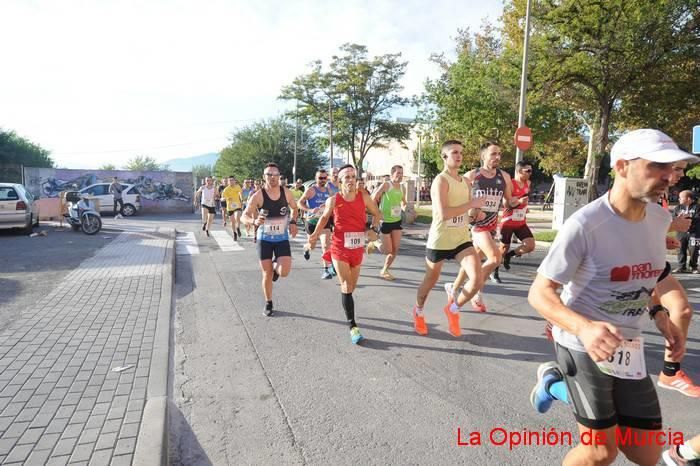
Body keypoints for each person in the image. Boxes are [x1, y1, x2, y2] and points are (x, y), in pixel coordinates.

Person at [527, 128, 695, 466]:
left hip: (628, 344)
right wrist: (585, 329)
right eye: (656, 166)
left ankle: (556, 385)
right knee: (600, 451)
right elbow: (540, 293)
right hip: (583, 343)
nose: (668, 176)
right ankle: (560, 381)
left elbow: (644, 274)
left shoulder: (660, 219)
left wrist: (661, 317)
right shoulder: (586, 225)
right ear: (621, 166)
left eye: (672, 167)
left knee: (644, 453)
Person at [412, 140, 487, 337]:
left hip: (461, 239)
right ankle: (418, 310)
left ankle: (453, 309)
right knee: (430, 280)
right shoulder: (441, 181)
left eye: (461, 152)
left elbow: (469, 211)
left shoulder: (466, 182)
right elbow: (443, 213)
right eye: (454, 152)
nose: (459, 155)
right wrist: (472, 203)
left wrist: (476, 213)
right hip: (440, 240)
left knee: (477, 279)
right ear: (444, 156)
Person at [306, 164, 382, 344]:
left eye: (353, 176)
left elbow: (377, 213)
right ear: (339, 181)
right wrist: (314, 236)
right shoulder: (334, 200)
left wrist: (373, 230)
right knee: (347, 286)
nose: (350, 180)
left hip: (357, 248)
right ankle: (353, 326)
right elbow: (324, 219)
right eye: (346, 177)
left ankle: (335, 271)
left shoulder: (363, 196)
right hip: (340, 247)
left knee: (352, 286)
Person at [446, 141, 517, 311]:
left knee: (475, 260)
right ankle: (474, 291)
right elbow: (458, 198)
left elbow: (508, 201)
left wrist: (515, 202)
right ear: (483, 156)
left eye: (499, 154)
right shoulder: (472, 176)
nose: (497, 157)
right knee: (495, 258)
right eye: (493, 154)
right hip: (477, 226)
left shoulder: (505, 177)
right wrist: (471, 211)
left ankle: (453, 288)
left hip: (492, 225)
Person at [242, 163, 298, 316]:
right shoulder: (258, 195)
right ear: (264, 177)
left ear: (279, 176)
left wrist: (293, 221)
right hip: (264, 238)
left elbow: (295, 207)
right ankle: (268, 302)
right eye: (269, 174)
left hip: (281, 238)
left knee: (284, 271)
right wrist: (253, 222)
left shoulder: (286, 193)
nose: (272, 177)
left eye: (275, 174)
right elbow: (244, 216)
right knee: (266, 274)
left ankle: (275, 266)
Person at [367, 165, 407, 280]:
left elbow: (403, 202)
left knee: (395, 250)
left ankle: (384, 270)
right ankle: (375, 243)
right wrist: (377, 212)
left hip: (396, 220)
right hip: (385, 221)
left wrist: (406, 208)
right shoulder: (387, 185)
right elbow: (374, 198)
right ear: (392, 174)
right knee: (387, 250)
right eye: (398, 173)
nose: (400, 176)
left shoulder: (402, 188)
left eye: (401, 173)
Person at [500, 160, 536, 273]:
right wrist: (519, 202)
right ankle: (495, 270)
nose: (530, 173)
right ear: (519, 171)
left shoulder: (528, 183)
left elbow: (524, 199)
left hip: (520, 222)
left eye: (531, 171)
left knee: (530, 245)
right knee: (503, 248)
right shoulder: (510, 184)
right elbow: (506, 204)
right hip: (508, 221)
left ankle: (509, 256)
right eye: (528, 171)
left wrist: (525, 208)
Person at [299, 170, 335, 279]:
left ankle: (326, 270)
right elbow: (299, 203)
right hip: (312, 222)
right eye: (320, 178)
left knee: (326, 245)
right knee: (312, 246)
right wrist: (309, 210)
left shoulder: (329, 191)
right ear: (316, 178)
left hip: (324, 222)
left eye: (324, 178)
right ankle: (306, 248)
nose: (322, 180)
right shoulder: (311, 190)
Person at [672, 190, 700, 273]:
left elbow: (697, 218)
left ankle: (694, 267)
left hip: (694, 232)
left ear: (688, 198)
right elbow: (673, 218)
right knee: (680, 249)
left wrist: (687, 218)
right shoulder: (678, 208)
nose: (678, 199)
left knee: (694, 250)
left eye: (680, 197)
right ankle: (681, 267)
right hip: (681, 232)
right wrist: (678, 219)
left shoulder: (697, 207)